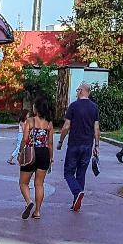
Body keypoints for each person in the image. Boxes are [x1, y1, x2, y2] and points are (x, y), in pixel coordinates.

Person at [57, 82, 100, 211]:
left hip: (74, 144)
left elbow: (66, 126)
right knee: (81, 173)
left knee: (68, 173)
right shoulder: (94, 107)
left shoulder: (73, 106)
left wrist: (60, 141)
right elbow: (96, 128)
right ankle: (77, 201)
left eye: (77, 90)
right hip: (87, 145)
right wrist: (97, 145)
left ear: (81, 91)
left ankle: (77, 192)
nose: (77, 92)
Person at [18, 97, 53, 220]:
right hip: (44, 153)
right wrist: (51, 158)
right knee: (39, 184)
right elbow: (50, 143)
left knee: (23, 183)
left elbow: (25, 139)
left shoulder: (30, 121)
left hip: (30, 152)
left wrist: (20, 151)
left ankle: (28, 201)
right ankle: (37, 211)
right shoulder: (49, 123)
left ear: (36, 108)